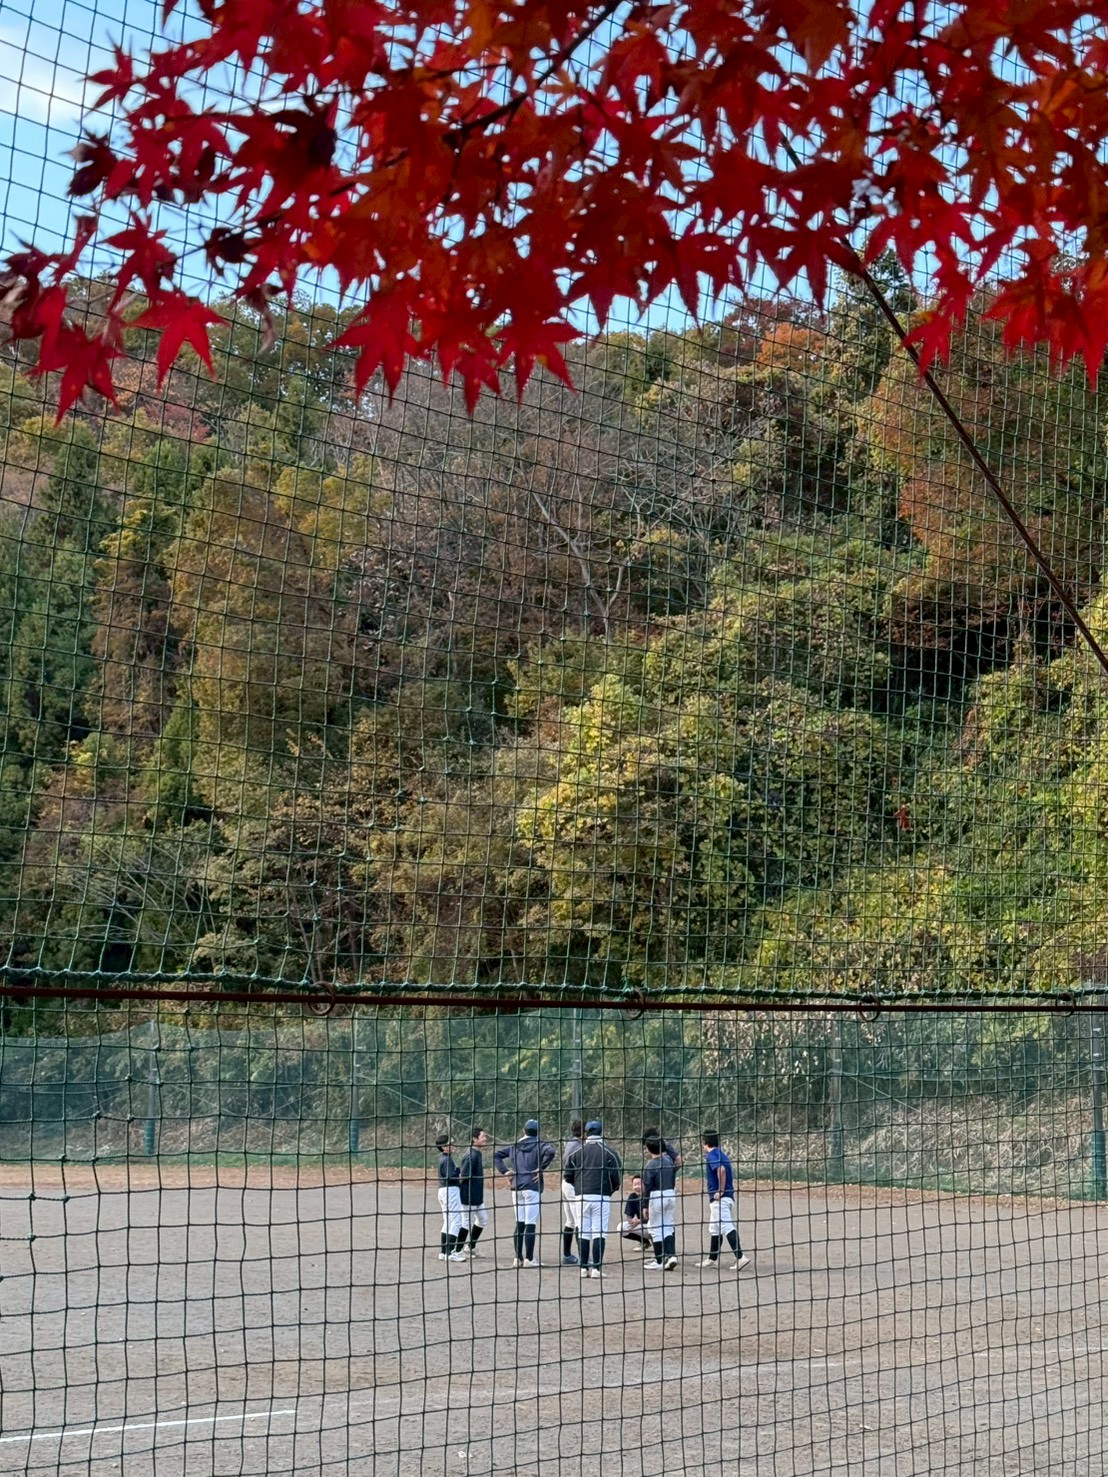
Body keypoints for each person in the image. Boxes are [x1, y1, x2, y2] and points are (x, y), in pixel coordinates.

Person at [563, 1119, 622, 1279]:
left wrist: (580, 1188)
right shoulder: (609, 1152)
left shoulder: (576, 1152)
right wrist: (609, 1191)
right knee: (599, 1232)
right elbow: (617, 1178)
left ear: (586, 1133)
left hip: (581, 1197)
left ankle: (583, 1268)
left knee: (583, 1231)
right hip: (601, 1197)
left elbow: (567, 1176)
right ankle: (596, 1268)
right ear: (601, 1132)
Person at [494, 1118, 555, 1267]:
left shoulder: (515, 1145)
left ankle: (517, 1258)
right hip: (532, 1187)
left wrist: (505, 1171)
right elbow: (551, 1151)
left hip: (517, 1187)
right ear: (538, 1132)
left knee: (519, 1223)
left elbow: (497, 1155)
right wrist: (541, 1168)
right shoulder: (540, 1144)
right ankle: (529, 1259)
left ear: (524, 1131)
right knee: (530, 1224)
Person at [699, 1130, 750, 1271]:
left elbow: (721, 1170)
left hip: (720, 1199)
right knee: (714, 1228)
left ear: (705, 1143)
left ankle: (740, 1257)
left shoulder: (711, 1155)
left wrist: (720, 1190)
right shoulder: (722, 1154)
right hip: (727, 1198)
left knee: (726, 1227)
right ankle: (712, 1259)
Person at [642, 1134, 679, 1271]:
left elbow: (647, 1188)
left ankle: (659, 1261)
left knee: (655, 1228)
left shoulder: (650, 1165)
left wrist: (645, 1205)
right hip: (670, 1194)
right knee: (668, 1226)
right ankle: (671, 1256)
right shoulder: (669, 1162)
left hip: (657, 1196)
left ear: (648, 1149)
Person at [435, 1132, 468, 1263]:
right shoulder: (447, 1159)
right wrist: (460, 1173)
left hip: (443, 1190)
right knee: (456, 1222)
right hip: (450, 1191)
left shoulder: (444, 1159)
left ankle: (443, 1252)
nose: (454, 1145)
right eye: (451, 1143)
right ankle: (450, 1253)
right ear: (444, 1147)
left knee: (448, 1221)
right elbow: (451, 1176)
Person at [457, 1127, 489, 1257]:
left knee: (483, 1219)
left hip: (477, 1196)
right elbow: (463, 1176)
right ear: (474, 1139)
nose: (485, 1139)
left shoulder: (477, 1153)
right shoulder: (471, 1155)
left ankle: (470, 1247)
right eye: (483, 1137)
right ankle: (457, 1250)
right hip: (468, 1196)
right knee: (466, 1222)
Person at [560, 1119, 584, 1265]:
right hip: (572, 1185)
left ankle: (567, 1255)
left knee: (571, 1221)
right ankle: (583, 1257)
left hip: (566, 1183)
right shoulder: (579, 1146)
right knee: (579, 1221)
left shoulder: (571, 1143)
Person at [620, 1175, 651, 1250]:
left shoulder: (651, 1195)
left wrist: (639, 1221)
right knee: (621, 1227)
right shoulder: (632, 1196)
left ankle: (660, 1246)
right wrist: (632, 1221)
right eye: (634, 1185)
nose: (637, 1187)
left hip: (654, 1226)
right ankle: (644, 1242)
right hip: (643, 1226)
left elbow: (654, 1219)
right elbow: (629, 1215)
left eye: (639, 1184)